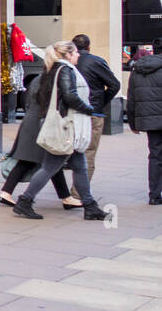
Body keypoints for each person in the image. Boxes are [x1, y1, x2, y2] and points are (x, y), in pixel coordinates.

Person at [13, 40, 109, 220]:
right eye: (75, 53)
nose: (79, 55)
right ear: (68, 55)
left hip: (63, 125)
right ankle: (25, 201)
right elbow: (70, 95)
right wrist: (88, 109)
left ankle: (90, 206)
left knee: (80, 166)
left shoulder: (52, 70)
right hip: (65, 127)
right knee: (50, 167)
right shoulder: (65, 70)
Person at [0, 64, 79, 209]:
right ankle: (21, 196)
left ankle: (6, 192)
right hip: (40, 124)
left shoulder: (38, 79)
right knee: (48, 161)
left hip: (31, 122)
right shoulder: (51, 80)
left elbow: (29, 102)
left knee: (40, 161)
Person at [69, 34, 120, 191]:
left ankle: (66, 193)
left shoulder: (65, 64)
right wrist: (101, 102)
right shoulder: (96, 61)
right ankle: (77, 194)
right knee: (88, 153)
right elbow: (114, 85)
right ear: (89, 47)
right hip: (93, 113)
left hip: (70, 113)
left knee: (60, 153)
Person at [125, 36, 162, 205]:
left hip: (151, 121)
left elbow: (131, 99)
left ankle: (154, 195)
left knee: (155, 156)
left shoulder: (137, 70)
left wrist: (132, 123)